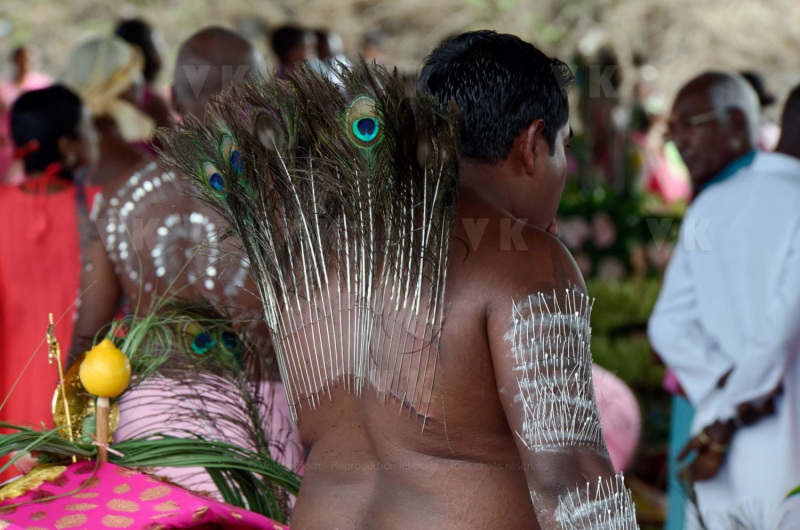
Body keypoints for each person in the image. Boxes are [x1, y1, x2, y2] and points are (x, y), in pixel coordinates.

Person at [165, 30, 637, 527]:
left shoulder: (321, 249)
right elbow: (569, 475)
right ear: (532, 143)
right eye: (562, 147)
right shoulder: (526, 259)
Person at [69, 26, 301, 496]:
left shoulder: (120, 198)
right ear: (262, 97)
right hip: (263, 425)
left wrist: (68, 429)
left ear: (172, 96)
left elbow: (88, 333)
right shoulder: (294, 200)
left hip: (149, 428)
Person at [649, 72, 800, 525]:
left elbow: (666, 325)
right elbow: (782, 326)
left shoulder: (709, 205)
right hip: (780, 437)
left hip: (713, 443)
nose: (678, 142)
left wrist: (720, 389)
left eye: (688, 125)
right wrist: (735, 410)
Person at [0, 85, 99, 482]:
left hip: (10, 404)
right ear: (68, 144)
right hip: (87, 397)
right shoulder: (102, 205)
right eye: (88, 127)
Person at [60, 37, 154, 187]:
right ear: (119, 85)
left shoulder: (62, 137)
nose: (140, 82)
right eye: (133, 73)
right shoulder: (119, 149)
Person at [0, 46, 52, 185]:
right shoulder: (5, 87)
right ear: (15, 60)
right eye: (22, 58)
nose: (26, 62)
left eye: (29, 59)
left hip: (34, 143)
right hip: (8, 145)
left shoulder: (43, 85)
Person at [115, 18, 173, 131]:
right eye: (158, 44)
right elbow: (176, 146)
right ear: (148, 51)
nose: (164, 50)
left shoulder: (111, 98)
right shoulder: (153, 104)